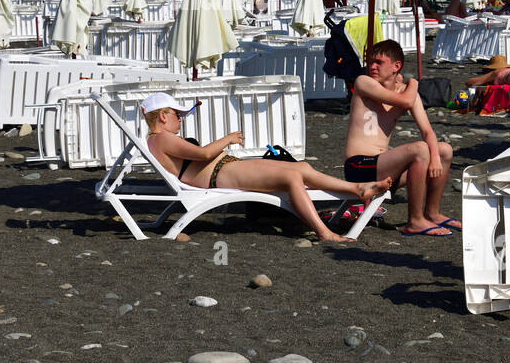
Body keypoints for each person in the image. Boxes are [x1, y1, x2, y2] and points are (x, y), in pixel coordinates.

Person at [141, 93, 390, 244]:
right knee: (292, 176)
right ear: (163, 116)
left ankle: (358, 189)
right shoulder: (162, 138)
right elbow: (204, 154)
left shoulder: (157, 140)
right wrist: (226, 139)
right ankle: (324, 232)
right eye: (177, 114)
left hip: (226, 170)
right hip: (222, 174)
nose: (180, 119)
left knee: (300, 167)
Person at [344, 39, 459, 237]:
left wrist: (436, 159)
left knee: (444, 150)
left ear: (396, 66)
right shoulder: (364, 83)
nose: (372, 66)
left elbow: (428, 132)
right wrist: (413, 82)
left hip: (385, 171)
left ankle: (432, 213)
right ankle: (415, 221)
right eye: (371, 61)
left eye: (378, 62)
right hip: (358, 167)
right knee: (420, 149)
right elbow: (405, 101)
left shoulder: (406, 91)